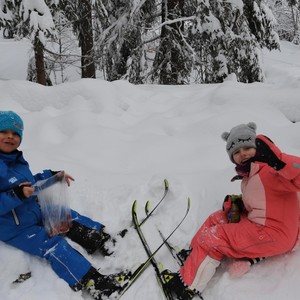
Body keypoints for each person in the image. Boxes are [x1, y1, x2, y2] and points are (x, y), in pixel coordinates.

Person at [164, 122, 300, 299]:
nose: (242, 153)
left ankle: (187, 286)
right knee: (217, 218)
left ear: (257, 148)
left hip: (274, 233)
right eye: (236, 151)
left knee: (213, 238)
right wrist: (241, 204)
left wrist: (279, 160)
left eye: (246, 147)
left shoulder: (271, 172)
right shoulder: (250, 175)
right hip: (263, 226)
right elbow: (266, 201)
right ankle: (194, 256)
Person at [0, 111, 124, 299]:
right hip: (14, 228)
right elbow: (16, 191)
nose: (10, 136)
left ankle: (101, 239)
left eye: (16, 133)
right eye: (4, 131)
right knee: (54, 246)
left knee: (65, 214)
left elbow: (30, 184)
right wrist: (16, 194)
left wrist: (50, 176)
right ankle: (93, 282)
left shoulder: (16, 160)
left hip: (32, 210)